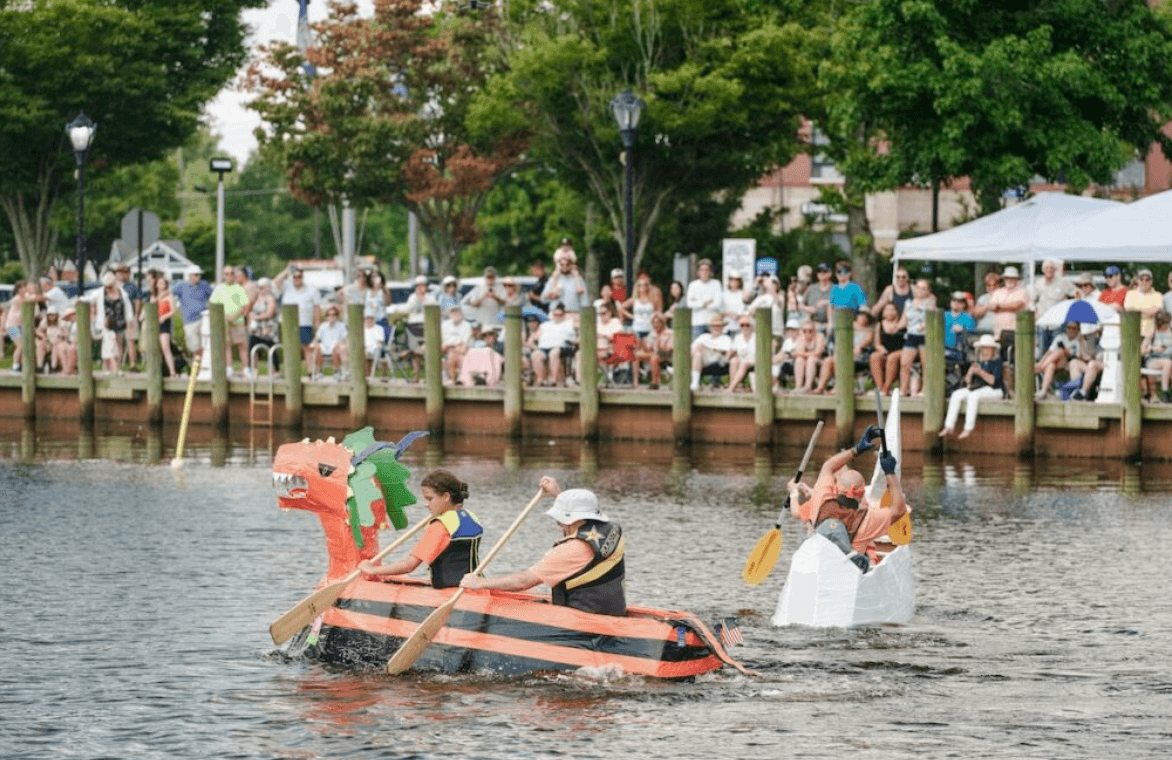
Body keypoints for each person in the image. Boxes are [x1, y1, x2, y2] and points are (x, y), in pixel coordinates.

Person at [460, 477, 625, 616]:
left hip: (584, 620)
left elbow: (524, 581)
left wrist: (480, 583)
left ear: (568, 520)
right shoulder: (612, 530)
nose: (559, 525)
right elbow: (578, 514)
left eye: (559, 520)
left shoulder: (569, 550)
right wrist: (559, 495)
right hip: (613, 610)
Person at [788, 426, 906, 570]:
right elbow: (899, 510)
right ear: (862, 495)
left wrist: (856, 450)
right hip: (846, 573)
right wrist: (890, 472)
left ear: (836, 489)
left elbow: (828, 467)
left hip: (815, 567)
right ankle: (855, 556)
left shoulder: (821, 500)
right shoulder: (868, 518)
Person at [359, 469, 484, 589]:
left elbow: (409, 566)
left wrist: (372, 570)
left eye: (430, 499)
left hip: (450, 591)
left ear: (446, 496)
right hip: (472, 587)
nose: (426, 504)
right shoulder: (471, 517)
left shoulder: (440, 526)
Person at [939, 334, 1004, 439]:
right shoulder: (978, 362)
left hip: (995, 390)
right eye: (983, 348)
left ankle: (968, 428)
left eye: (987, 348)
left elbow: (993, 381)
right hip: (979, 389)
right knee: (956, 394)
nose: (985, 351)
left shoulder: (997, 362)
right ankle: (949, 426)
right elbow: (967, 383)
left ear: (993, 350)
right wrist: (970, 373)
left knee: (973, 396)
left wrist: (980, 372)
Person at [273, 264, 322, 373]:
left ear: (302, 277)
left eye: (299, 276)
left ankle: (311, 371)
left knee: (308, 348)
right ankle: (291, 372)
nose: (297, 279)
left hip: (305, 323)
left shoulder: (311, 289)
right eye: (295, 277)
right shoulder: (286, 286)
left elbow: (317, 307)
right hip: (289, 324)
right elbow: (275, 282)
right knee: (290, 349)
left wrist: (317, 322)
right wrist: (287, 271)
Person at [813, 310, 873, 395]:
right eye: (861, 315)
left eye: (866, 316)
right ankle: (820, 388)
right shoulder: (848, 327)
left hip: (858, 356)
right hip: (843, 353)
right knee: (828, 360)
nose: (864, 317)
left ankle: (838, 386)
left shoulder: (868, 331)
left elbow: (866, 342)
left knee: (840, 358)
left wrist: (858, 347)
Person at [209, 264, 250, 375]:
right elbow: (212, 304)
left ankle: (246, 368)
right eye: (227, 274)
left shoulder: (239, 288)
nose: (230, 275)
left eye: (232, 273)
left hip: (238, 322)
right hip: (224, 322)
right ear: (223, 276)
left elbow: (245, 306)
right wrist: (224, 317)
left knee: (241, 344)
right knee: (226, 345)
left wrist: (234, 316)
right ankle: (229, 368)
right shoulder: (219, 288)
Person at [899, 278, 936, 397]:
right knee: (905, 363)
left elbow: (932, 317)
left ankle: (925, 389)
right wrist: (893, 327)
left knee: (925, 363)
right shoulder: (908, 303)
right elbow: (904, 321)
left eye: (923, 288)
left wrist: (924, 325)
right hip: (911, 335)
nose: (920, 290)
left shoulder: (930, 302)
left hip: (924, 335)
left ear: (927, 291)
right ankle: (903, 390)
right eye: (918, 287)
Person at [529, 302, 576, 387]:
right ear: (552, 314)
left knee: (553, 353)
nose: (557, 317)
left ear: (564, 315)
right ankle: (541, 380)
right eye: (555, 314)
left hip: (560, 347)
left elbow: (573, 336)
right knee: (535, 355)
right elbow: (534, 337)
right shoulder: (545, 325)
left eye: (560, 315)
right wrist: (532, 341)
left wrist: (570, 314)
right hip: (544, 347)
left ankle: (554, 380)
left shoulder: (568, 324)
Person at [173, 266, 212, 365]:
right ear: (189, 276)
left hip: (203, 319)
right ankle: (197, 366)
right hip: (189, 320)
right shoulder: (181, 286)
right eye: (196, 275)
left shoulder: (204, 285)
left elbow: (212, 297)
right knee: (193, 346)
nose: (198, 277)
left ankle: (204, 365)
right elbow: (169, 292)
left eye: (199, 275)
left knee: (205, 344)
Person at [869, 302, 906, 396]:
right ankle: (880, 388)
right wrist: (881, 348)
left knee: (892, 357)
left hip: (900, 351)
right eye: (887, 309)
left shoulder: (901, 324)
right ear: (883, 312)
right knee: (874, 356)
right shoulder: (879, 325)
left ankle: (887, 387)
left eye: (892, 309)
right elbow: (877, 343)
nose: (890, 312)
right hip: (885, 351)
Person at [541, 248, 589, 317]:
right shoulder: (553, 279)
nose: (564, 267)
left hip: (573, 315)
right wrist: (549, 295)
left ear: (571, 265)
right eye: (562, 264)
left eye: (567, 264)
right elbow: (543, 299)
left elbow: (585, 301)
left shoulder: (578, 279)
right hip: (555, 315)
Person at [689, 315, 732, 391]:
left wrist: (706, 349)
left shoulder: (726, 338)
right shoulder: (704, 336)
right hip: (701, 359)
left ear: (722, 327)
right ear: (710, 327)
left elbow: (725, 353)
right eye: (714, 326)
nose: (716, 328)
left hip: (717, 361)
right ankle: (695, 384)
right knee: (697, 353)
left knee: (698, 351)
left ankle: (680, 370)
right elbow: (692, 348)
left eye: (718, 326)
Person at [247, 277, 279, 376]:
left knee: (271, 349)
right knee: (252, 348)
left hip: (268, 329)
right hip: (256, 329)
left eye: (262, 288)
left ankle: (275, 370)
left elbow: (269, 313)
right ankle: (253, 369)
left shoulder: (271, 298)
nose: (260, 290)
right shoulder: (256, 298)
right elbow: (249, 311)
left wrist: (256, 317)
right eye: (258, 287)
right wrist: (250, 322)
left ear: (268, 287)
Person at [634, 311, 673, 389]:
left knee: (654, 358)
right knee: (636, 355)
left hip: (666, 355)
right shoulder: (652, 334)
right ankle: (635, 382)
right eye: (654, 323)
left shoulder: (670, 333)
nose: (655, 325)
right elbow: (648, 349)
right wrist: (644, 344)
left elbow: (670, 349)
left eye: (657, 323)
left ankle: (655, 383)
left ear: (662, 323)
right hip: (654, 353)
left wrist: (660, 346)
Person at [685, 258, 723, 337]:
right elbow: (689, 304)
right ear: (698, 272)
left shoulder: (716, 284)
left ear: (710, 272)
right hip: (697, 323)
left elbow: (718, 304)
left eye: (707, 270)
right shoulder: (693, 285)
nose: (704, 272)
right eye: (702, 270)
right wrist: (705, 302)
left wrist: (697, 302)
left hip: (713, 323)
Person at [1140, 310, 1172, 403]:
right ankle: (1165, 392)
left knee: (1168, 363)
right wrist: (1154, 349)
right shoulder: (1152, 332)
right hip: (1153, 360)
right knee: (1168, 363)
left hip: (1168, 359)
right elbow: (1142, 350)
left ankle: (1166, 394)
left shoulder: (1170, 331)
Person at [310, 305, 348, 379]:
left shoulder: (341, 325)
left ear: (337, 316)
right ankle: (319, 371)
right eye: (329, 314)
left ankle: (337, 371)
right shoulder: (323, 326)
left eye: (333, 314)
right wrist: (314, 343)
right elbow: (317, 338)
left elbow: (345, 339)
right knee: (317, 347)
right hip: (324, 347)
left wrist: (342, 344)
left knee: (336, 347)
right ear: (326, 317)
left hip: (337, 347)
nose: (331, 316)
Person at [151, 274, 178, 378]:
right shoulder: (154, 297)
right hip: (155, 324)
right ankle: (156, 371)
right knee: (154, 348)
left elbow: (173, 311)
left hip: (164, 324)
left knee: (165, 347)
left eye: (163, 283)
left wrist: (164, 317)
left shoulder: (169, 296)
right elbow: (151, 306)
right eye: (159, 283)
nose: (161, 285)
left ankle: (172, 371)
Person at [1124, 268, 1162, 338]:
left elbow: (1156, 311)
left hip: (1152, 334)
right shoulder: (1130, 294)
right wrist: (1149, 313)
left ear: (1151, 281)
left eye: (1147, 280)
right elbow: (1129, 312)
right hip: (1133, 332)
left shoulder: (1158, 295)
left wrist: (1138, 311)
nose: (1144, 282)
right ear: (1138, 280)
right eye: (1141, 279)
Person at [791, 320, 826, 394]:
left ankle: (808, 387)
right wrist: (807, 353)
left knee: (811, 359)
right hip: (805, 361)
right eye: (804, 330)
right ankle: (798, 387)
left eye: (810, 330)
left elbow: (818, 353)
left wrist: (803, 354)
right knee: (799, 360)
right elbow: (796, 353)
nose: (807, 332)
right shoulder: (801, 337)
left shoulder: (819, 336)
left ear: (814, 330)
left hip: (819, 361)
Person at [799, 262, 834, 333]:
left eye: (825, 271)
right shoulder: (811, 288)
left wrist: (827, 302)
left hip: (831, 324)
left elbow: (843, 304)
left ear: (830, 273)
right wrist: (808, 308)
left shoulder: (836, 288)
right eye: (819, 271)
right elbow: (800, 305)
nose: (822, 273)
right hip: (814, 324)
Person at [441, 305, 472, 383]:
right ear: (449, 314)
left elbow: (464, 345)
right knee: (452, 354)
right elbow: (442, 343)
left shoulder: (467, 325)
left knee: (456, 355)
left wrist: (452, 347)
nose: (455, 313)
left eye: (457, 311)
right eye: (453, 312)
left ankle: (453, 379)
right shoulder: (444, 325)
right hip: (446, 348)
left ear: (461, 313)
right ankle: (458, 379)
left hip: (459, 349)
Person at [727, 315, 756, 392]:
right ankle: (737, 387)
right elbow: (732, 350)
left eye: (747, 325)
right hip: (742, 359)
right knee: (733, 361)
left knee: (744, 363)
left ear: (751, 326)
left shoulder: (756, 337)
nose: (744, 327)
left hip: (754, 360)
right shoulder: (738, 337)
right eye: (742, 325)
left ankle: (731, 388)